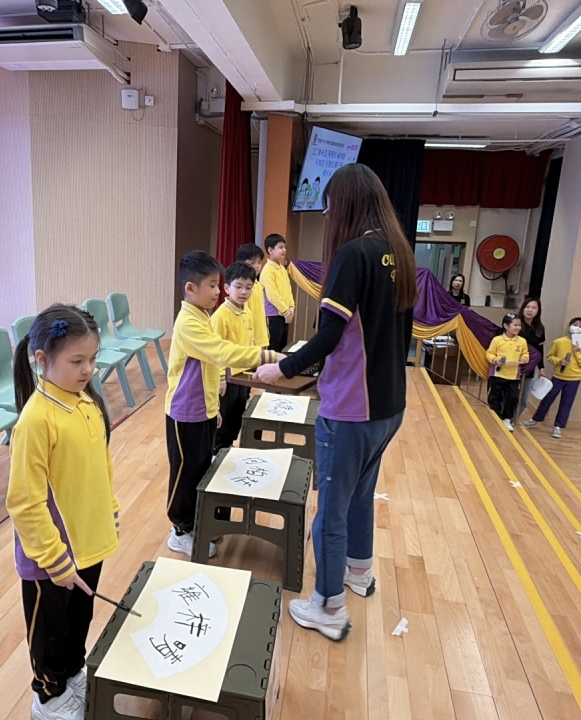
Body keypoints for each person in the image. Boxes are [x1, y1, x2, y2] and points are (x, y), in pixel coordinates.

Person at [253, 163, 415, 641]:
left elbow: (329, 334)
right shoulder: (399, 252)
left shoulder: (353, 254)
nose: (326, 217)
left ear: (344, 205)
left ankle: (327, 605)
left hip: (351, 408)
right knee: (360, 495)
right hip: (390, 405)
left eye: (328, 208)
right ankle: (359, 573)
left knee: (331, 509)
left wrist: (282, 368)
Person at [8, 305, 122, 720]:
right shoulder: (36, 420)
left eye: (92, 359)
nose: (88, 369)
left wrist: (109, 509)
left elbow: (100, 465)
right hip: (51, 558)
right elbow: (24, 502)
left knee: (79, 619)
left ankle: (73, 673)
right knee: (50, 632)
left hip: (88, 543)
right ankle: (48, 694)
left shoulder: (86, 401)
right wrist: (54, 559)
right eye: (77, 361)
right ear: (42, 359)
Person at [165, 251, 279, 559]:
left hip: (202, 407)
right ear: (191, 288)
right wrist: (271, 357)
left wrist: (213, 405)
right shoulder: (188, 322)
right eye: (213, 285)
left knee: (202, 466)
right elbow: (223, 353)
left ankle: (196, 522)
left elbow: (211, 366)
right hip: (184, 412)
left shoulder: (201, 316)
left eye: (218, 285)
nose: (218, 291)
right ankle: (180, 530)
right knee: (185, 473)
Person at [211, 262, 260, 452]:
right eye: (238, 286)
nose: (243, 292)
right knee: (224, 415)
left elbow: (249, 343)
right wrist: (221, 378)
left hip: (243, 374)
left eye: (248, 287)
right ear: (226, 288)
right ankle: (217, 450)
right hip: (228, 375)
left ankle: (228, 446)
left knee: (237, 413)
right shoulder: (220, 316)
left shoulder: (247, 312)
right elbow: (216, 351)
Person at [523, 317, 581, 439]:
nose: (577, 328)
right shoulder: (559, 342)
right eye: (575, 325)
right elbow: (550, 357)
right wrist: (559, 361)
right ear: (569, 326)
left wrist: (577, 352)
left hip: (574, 379)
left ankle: (558, 426)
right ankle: (535, 419)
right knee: (547, 399)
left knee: (566, 403)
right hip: (558, 376)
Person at [486, 314, 530, 432]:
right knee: (495, 397)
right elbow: (489, 354)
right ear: (506, 326)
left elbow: (525, 353)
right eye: (515, 325)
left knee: (513, 397)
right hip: (498, 374)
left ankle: (507, 418)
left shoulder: (522, 341)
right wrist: (495, 360)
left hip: (513, 376)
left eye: (519, 325)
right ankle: (495, 417)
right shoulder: (497, 340)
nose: (518, 327)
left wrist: (525, 358)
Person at [261, 234, 296, 352]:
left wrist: (291, 307)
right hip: (273, 315)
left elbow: (288, 290)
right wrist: (285, 311)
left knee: (282, 348)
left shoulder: (282, 269)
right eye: (280, 247)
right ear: (270, 250)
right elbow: (272, 295)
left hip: (284, 314)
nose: (284, 250)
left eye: (284, 247)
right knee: (273, 349)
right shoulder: (267, 270)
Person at [515, 297, 545, 421]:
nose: (530, 310)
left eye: (533, 308)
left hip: (530, 368)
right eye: (527, 307)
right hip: (514, 366)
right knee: (511, 394)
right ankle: (504, 417)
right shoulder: (516, 324)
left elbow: (540, 349)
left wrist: (541, 368)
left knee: (523, 398)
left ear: (538, 311)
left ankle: (514, 419)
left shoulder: (540, 328)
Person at [235, 242, 270, 348]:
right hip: (250, 340)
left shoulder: (258, 285)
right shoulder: (244, 289)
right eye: (252, 263)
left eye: (259, 262)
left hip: (261, 336)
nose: (257, 266)